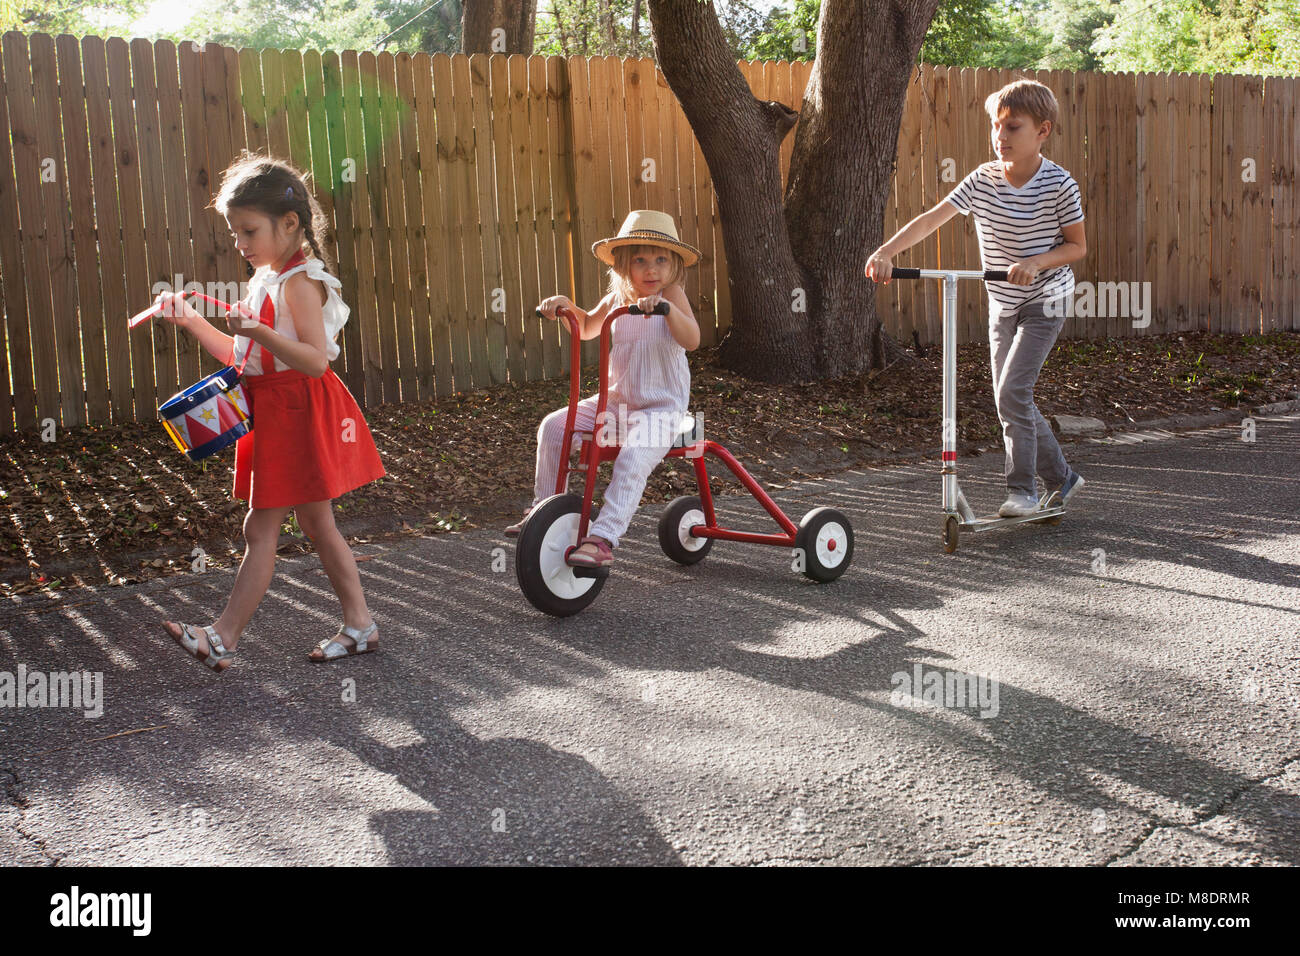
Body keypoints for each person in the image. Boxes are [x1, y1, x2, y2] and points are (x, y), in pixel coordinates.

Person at [154, 153, 385, 671]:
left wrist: (257, 330)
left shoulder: (300, 280)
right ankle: (361, 624)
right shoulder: (267, 277)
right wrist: (192, 320)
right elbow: (242, 359)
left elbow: (313, 360)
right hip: (275, 409)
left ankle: (222, 637)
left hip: (298, 409)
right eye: (234, 233)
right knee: (317, 524)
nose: (239, 243)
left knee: (263, 529)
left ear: (289, 224)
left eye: (247, 231)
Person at [867, 79, 1088, 517]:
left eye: (1013, 127)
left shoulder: (1060, 184)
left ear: (1042, 131)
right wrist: (886, 252)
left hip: (1046, 298)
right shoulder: (983, 180)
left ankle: (1022, 491)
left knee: (1012, 393)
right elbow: (933, 218)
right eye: (996, 126)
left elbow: (1077, 247)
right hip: (1002, 301)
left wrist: (1038, 262)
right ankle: (1062, 478)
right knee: (1011, 397)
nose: (1000, 137)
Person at [507, 210, 701, 568]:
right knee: (553, 426)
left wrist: (668, 309)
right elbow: (587, 327)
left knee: (632, 457)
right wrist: (564, 305)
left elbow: (692, 340)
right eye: (639, 260)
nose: (650, 270)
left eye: (660, 260)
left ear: (673, 264)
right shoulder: (617, 299)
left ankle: (603, 537)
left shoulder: (671, 295)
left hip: (662, 410)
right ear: (623, 265)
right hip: (616, 404)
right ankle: (543, 511)